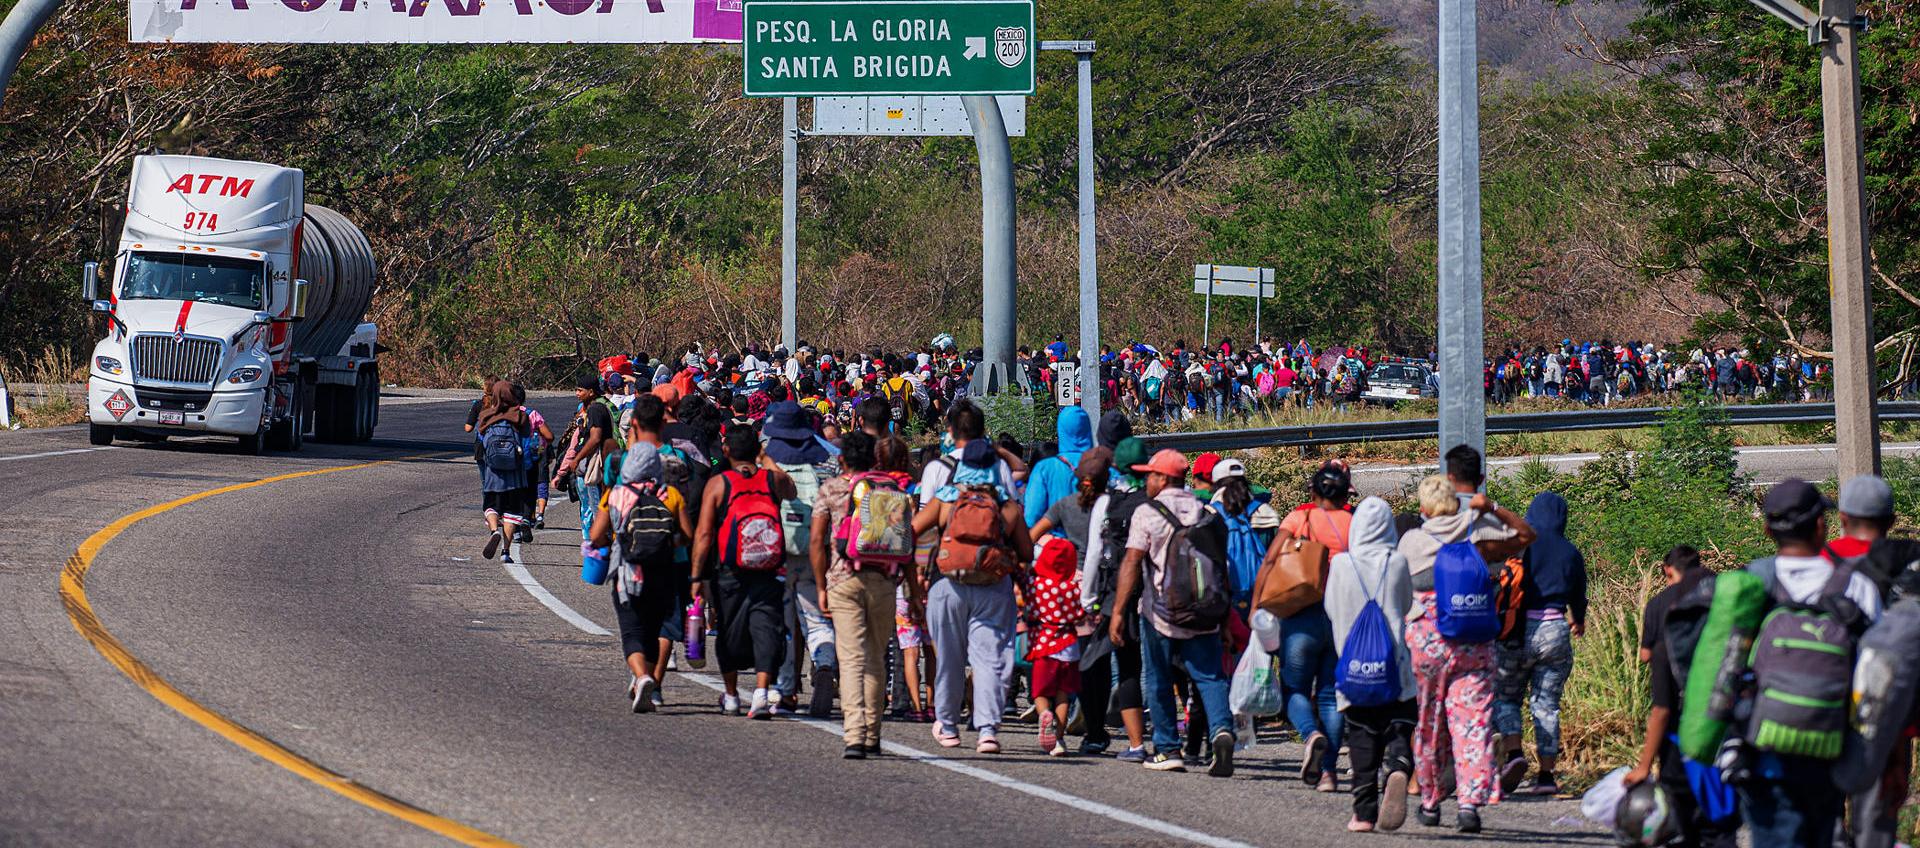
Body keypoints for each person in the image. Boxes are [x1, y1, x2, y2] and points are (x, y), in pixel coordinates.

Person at [1732, 479, 1881, 846]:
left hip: (1763, 753)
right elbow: (1875, 675)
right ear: (1821, 526)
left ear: (1767, 529)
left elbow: (1723, 665)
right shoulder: (1856, 587)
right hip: (1829, 749)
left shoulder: (1751, 583)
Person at [1397, 474, 1535, 833]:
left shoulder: (1413, 539)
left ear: (1425, 507)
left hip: (1429, 644)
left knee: (1430, 722)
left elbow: (1396, 590)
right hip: (1475, 644)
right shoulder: (1476, 535)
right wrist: (1489, 507)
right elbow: (1525, 536)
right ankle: (1470, 804)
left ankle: (1429, 801)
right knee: (1472, 724)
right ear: (1456, 503)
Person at [1111, 449, 1236, 777]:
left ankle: (1167, 749)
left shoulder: (1147, 513)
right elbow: (1222, 568)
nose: (1147, 480)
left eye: (1150, 475)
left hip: (1160, 613)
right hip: (1206, 611)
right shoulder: (1208, 512)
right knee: (1210, 677)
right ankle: (1222, 730)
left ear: (1164, 478)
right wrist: (1223, 619)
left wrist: (1119, 611)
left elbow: (1132, 563)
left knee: (1159, 678)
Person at [910, 437, 1034, 754]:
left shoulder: (948, 497)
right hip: (993, 587)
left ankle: (949, 726)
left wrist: (920, 571)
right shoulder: (1006, 503)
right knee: (989, 658)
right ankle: (988, 730)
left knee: (950, 657)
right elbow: (1026, 550)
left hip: (947, 584)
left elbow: (913, 530)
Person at [1621, 546, 1739, 848]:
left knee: (1682, 825)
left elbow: (1660, 707)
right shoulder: (1726, 617)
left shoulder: (1662, 620)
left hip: (1680, 745)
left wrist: (1645, 766)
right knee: (1720, 829)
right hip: (1726, 735)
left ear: (1668, 571)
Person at [808, 431, 915, 759]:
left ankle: (854, 734)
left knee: (852, 658)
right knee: (875, 656)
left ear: (841, 460)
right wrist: (915, 594)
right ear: (874, 459)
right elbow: (907, 543)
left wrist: (821, 587)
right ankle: (873, 732)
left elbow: (816, 541)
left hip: (843, 579)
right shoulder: (893, 490)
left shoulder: (831, 489)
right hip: (884, 581)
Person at [689, 426, 797, 719]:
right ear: (757, 451)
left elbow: (704, 533)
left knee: (729, 629)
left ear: (726, 451)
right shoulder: (771, 479)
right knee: (765, 627)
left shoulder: (719, 484)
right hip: (768, 567)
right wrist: (766, 459)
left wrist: (697, 576)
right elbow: (792, 488)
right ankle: (762, 691)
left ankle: (733, 695)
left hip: (729, 570)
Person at [1325, 496, 1417, 833]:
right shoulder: (1397, 562)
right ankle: (1398, 764)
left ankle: (1363, 814)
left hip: (1354, 671)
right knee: (1400, 721)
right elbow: (1406, 604)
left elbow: (1331, 609)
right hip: (1395, 666)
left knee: (1362, 738)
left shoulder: (1340, 565)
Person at [1266, 460, 1354, 792]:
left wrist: (1262, 602)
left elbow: (1273, 557)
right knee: (1331, 696)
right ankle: (1329, 773)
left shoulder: (1299, 518)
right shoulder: (1353, 523)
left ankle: (1309, 733)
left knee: (1294, 689)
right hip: (1341, 617)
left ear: (1314, 491)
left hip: (1301, 613)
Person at [589, 442, 695, 714]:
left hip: (628, 572)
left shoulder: (616, 494)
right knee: (654, 629)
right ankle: (649, 680)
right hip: (663, 572)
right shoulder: (669, 494)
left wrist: (615, 540)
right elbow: (687, 535)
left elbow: (596, 535)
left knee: (631, 629)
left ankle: (641, 676)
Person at [1494, 491, 1586, 796]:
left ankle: (1514, 754)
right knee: (1546, 705)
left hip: (1518, 630)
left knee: (1506, 698)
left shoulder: (1522, 542)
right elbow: (1578, 596)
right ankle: (1546, 776)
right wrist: (1579, 620)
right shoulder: (1570, 552)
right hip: (1556, 629)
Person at [1026, 535, 1084, 757]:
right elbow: (1080, 614)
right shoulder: (1073, 587)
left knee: (1040, 691)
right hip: (1069, 647)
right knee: (1063, 694)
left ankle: (1043, 715)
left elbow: (1027, 605)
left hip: (1043, 644)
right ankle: (1058, 739)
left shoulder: (1037, 584)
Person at [474, 380, 532, 563]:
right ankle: (505, 552)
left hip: (493, 471)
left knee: (491, 506)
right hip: (514, 471)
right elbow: (526, 438)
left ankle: (493, 530)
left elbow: (481, 438)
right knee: (512, 512)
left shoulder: (485, 415)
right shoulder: (520, 416)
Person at [557, 373, 617, 545]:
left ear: (591, 392)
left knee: (597, 505)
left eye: (580, 390)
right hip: (606, 461)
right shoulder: (601, 405)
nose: (577, 393)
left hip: (599, 463)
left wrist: (577, 458)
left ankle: (600, 545)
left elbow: (596, 437)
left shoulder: (595, 409)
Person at [1023, 405, 1093, 529]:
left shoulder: (1045, 468)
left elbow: (1031, 517)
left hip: (1055, 543)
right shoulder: (1102, 465)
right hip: (1093, 542)